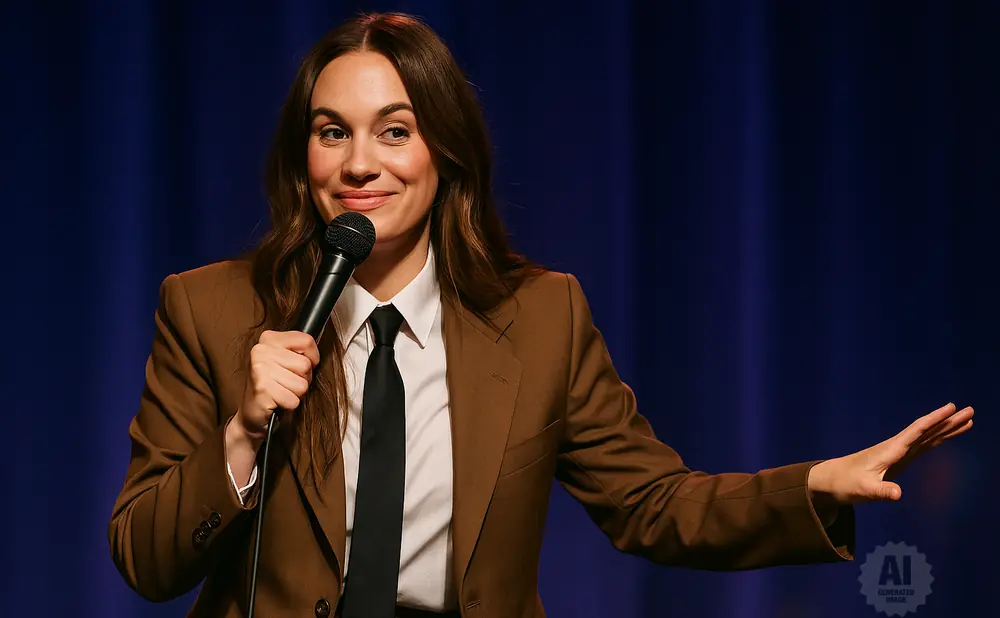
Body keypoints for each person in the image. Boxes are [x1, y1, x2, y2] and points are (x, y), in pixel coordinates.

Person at [108, 12, 975, 618]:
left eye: (395, 130)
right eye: (332, 131)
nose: (360, 161)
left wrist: (817, 484)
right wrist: (240, 435)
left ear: (446, 152)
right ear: (305, 158)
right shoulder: (212, 308)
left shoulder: (540, 314)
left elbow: (652, 504)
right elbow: (143, 562)